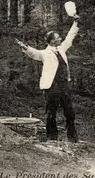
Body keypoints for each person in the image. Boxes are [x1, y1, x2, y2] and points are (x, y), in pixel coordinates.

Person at [15, 14, 80, 142]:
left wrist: (75, 23)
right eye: (57, 37)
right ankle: (52, 138)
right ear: (51, 41)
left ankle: (72, 138)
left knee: (69, 112)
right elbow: (35, 53)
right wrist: (25, 47)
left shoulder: (61, 48)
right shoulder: (45, 53)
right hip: (51, 86)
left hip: (64, 85)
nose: (60, 38)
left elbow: (70, 37)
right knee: (51, 113)